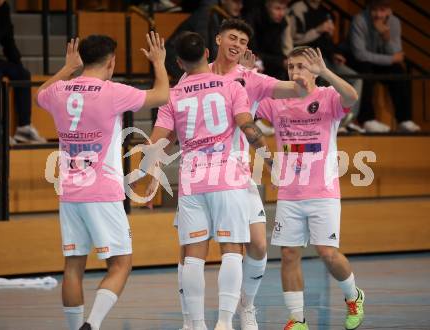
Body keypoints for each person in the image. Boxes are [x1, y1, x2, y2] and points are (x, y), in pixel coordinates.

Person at [172, 19, 307, 330]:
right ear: (217, 39)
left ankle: (246, 305)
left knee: (258, 244)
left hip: (237, 172)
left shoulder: (249, 78)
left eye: (243, 41)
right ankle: (189, 320)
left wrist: (305, 75)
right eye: (232, 37)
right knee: (190, 249)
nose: (237, 44)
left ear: (248, 49)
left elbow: (291, 89)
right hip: (199, 172)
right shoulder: (191, 74)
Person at [35, 32, 169, 330]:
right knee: (121, 264)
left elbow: (38, 94)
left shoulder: (60, 91)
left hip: (70, 193)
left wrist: (67, 69)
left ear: (81, 59)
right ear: (112, 62)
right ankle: (92, 325)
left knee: (73, 266)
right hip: (103, 192)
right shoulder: (112, 91)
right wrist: (159, 62)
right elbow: (161, 95)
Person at [145, 31, 277, 330]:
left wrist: (151, 174)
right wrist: (270, 160)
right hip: (228, 177)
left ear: (179, 62)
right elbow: (247, 126)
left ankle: (198, 325)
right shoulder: (231, 86)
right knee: (232, 249)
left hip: (191, 182)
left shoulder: (174, 94)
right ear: (207, 53)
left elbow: (155, 143)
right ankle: (224, 323)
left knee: (193, 255)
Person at [256, 46, 365, 330]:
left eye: (301, 66)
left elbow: (352, 96)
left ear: (314, 69)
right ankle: (298, 319)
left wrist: (326, 72)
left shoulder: (327, 96)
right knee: (289, 254)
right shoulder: (277, 102)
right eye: (291, 67)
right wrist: (247, 71)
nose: (295, 72)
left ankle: (353, 296)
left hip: (322, 191)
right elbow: (247, 98)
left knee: (327, 253)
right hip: (290, 193)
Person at [290, 0, 363, 133]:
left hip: (326, 60)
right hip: (306, 59)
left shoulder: (327, 11)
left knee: (356, 77)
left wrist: (334, 54)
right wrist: (318, 30)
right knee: (320, 80)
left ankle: (345, 120)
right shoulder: (298, 8)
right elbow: (295, 39)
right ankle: (316, 119)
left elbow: (326, 41)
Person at [348, 0, 420, 133]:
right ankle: (367, 120)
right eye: (375, 10)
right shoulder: (359, 20)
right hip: (360, 62)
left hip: (381, 61)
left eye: (382, 10)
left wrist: (386, 37)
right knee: (364, 71)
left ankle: (404, 120)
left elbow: (397, 53)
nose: (378, 14)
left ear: (389, 11)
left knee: (399, 72)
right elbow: (360, 55)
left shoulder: (394, 22)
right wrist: (391, 59)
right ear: (369, 9)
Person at [0, 0, 46, 143]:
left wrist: (18, 65)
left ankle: (24, 127)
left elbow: (8, 40)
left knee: (22, 74)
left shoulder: (4, 8)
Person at [245, 0, 293, 80]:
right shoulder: (253, 20)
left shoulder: (281, 22)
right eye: (277, 8)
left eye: (284, 9)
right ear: (267, 6)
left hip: (272, 64)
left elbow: (278, 50)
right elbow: (254, 53)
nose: (282, 13)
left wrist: (285, 61)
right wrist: (281, 62)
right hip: (254, 63)